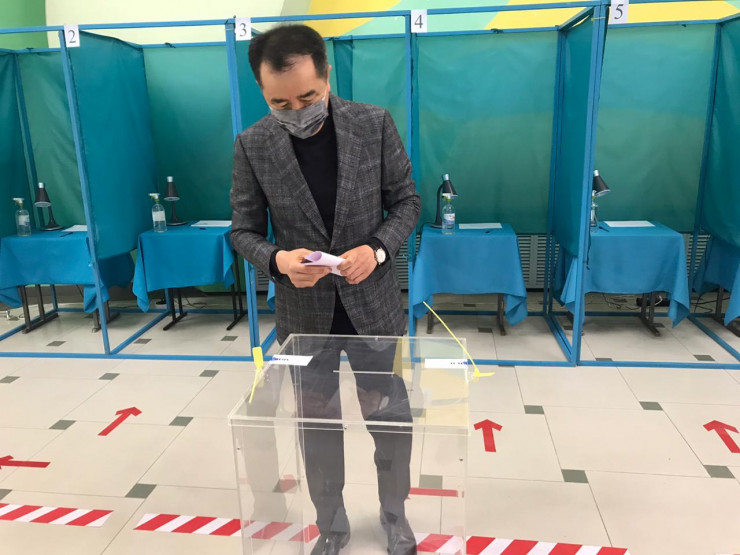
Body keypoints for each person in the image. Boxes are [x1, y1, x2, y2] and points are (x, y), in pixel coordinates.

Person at [230, 23, 421, 555]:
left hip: (372, 306)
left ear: (327, 74)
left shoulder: (372, 124)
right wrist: (278, 260)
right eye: (280, 103)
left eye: (308, 97)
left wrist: (376, 249)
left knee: (389, 420)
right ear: (262, 91)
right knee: (316, 429)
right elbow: (242, 231)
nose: (297, 112)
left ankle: (395, 515)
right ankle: (331, 526)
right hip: (303, 316)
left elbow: (407, 202)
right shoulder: (253, 144)